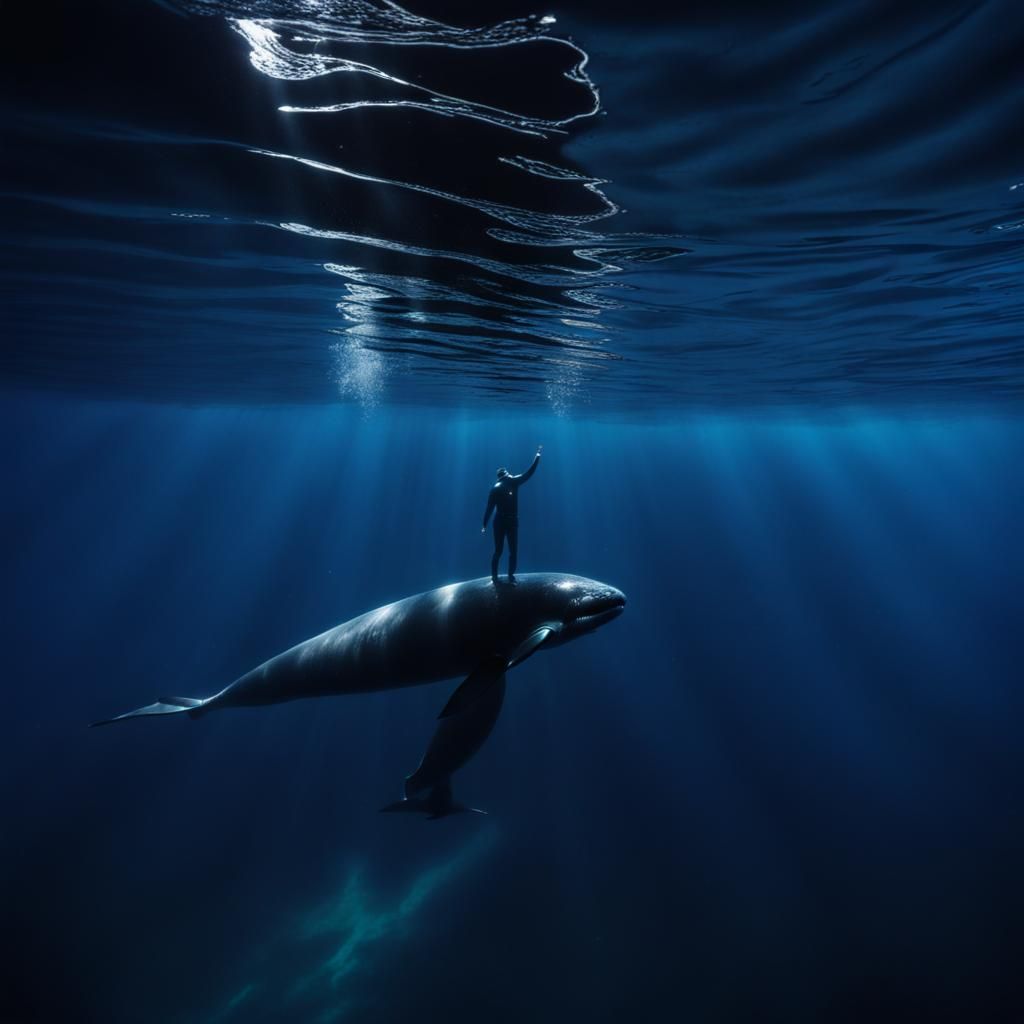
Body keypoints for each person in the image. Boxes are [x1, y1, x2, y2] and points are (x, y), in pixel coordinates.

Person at [482, 445, 542, 584]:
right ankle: (510, 577)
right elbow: (530, 472)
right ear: (507, 474)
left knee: (498, 550)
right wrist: (537, 456)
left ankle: (494, 578)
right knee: (513, 551)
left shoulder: (494, 489)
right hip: (512, 521)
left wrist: (484, 524)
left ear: (498, 477)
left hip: (498, 521)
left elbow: (489, 509)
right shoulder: (513, 481)